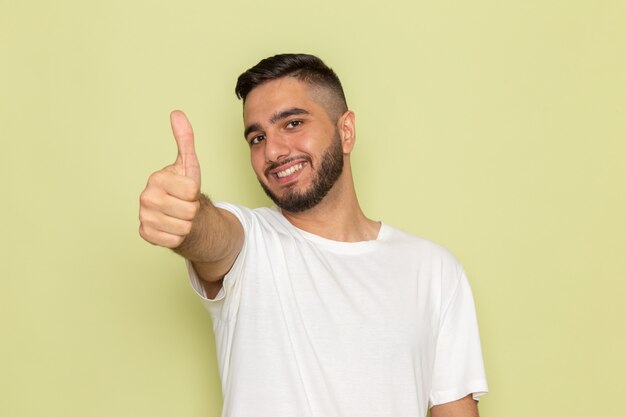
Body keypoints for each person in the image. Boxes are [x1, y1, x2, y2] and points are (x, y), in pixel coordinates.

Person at [139, 54, 488, 417]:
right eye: (257, 137)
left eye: (292, 123)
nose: (272, 151)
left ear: (346, 131)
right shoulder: (251, 244)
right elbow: (213, 237)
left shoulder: (433, 270)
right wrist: (188, 218)